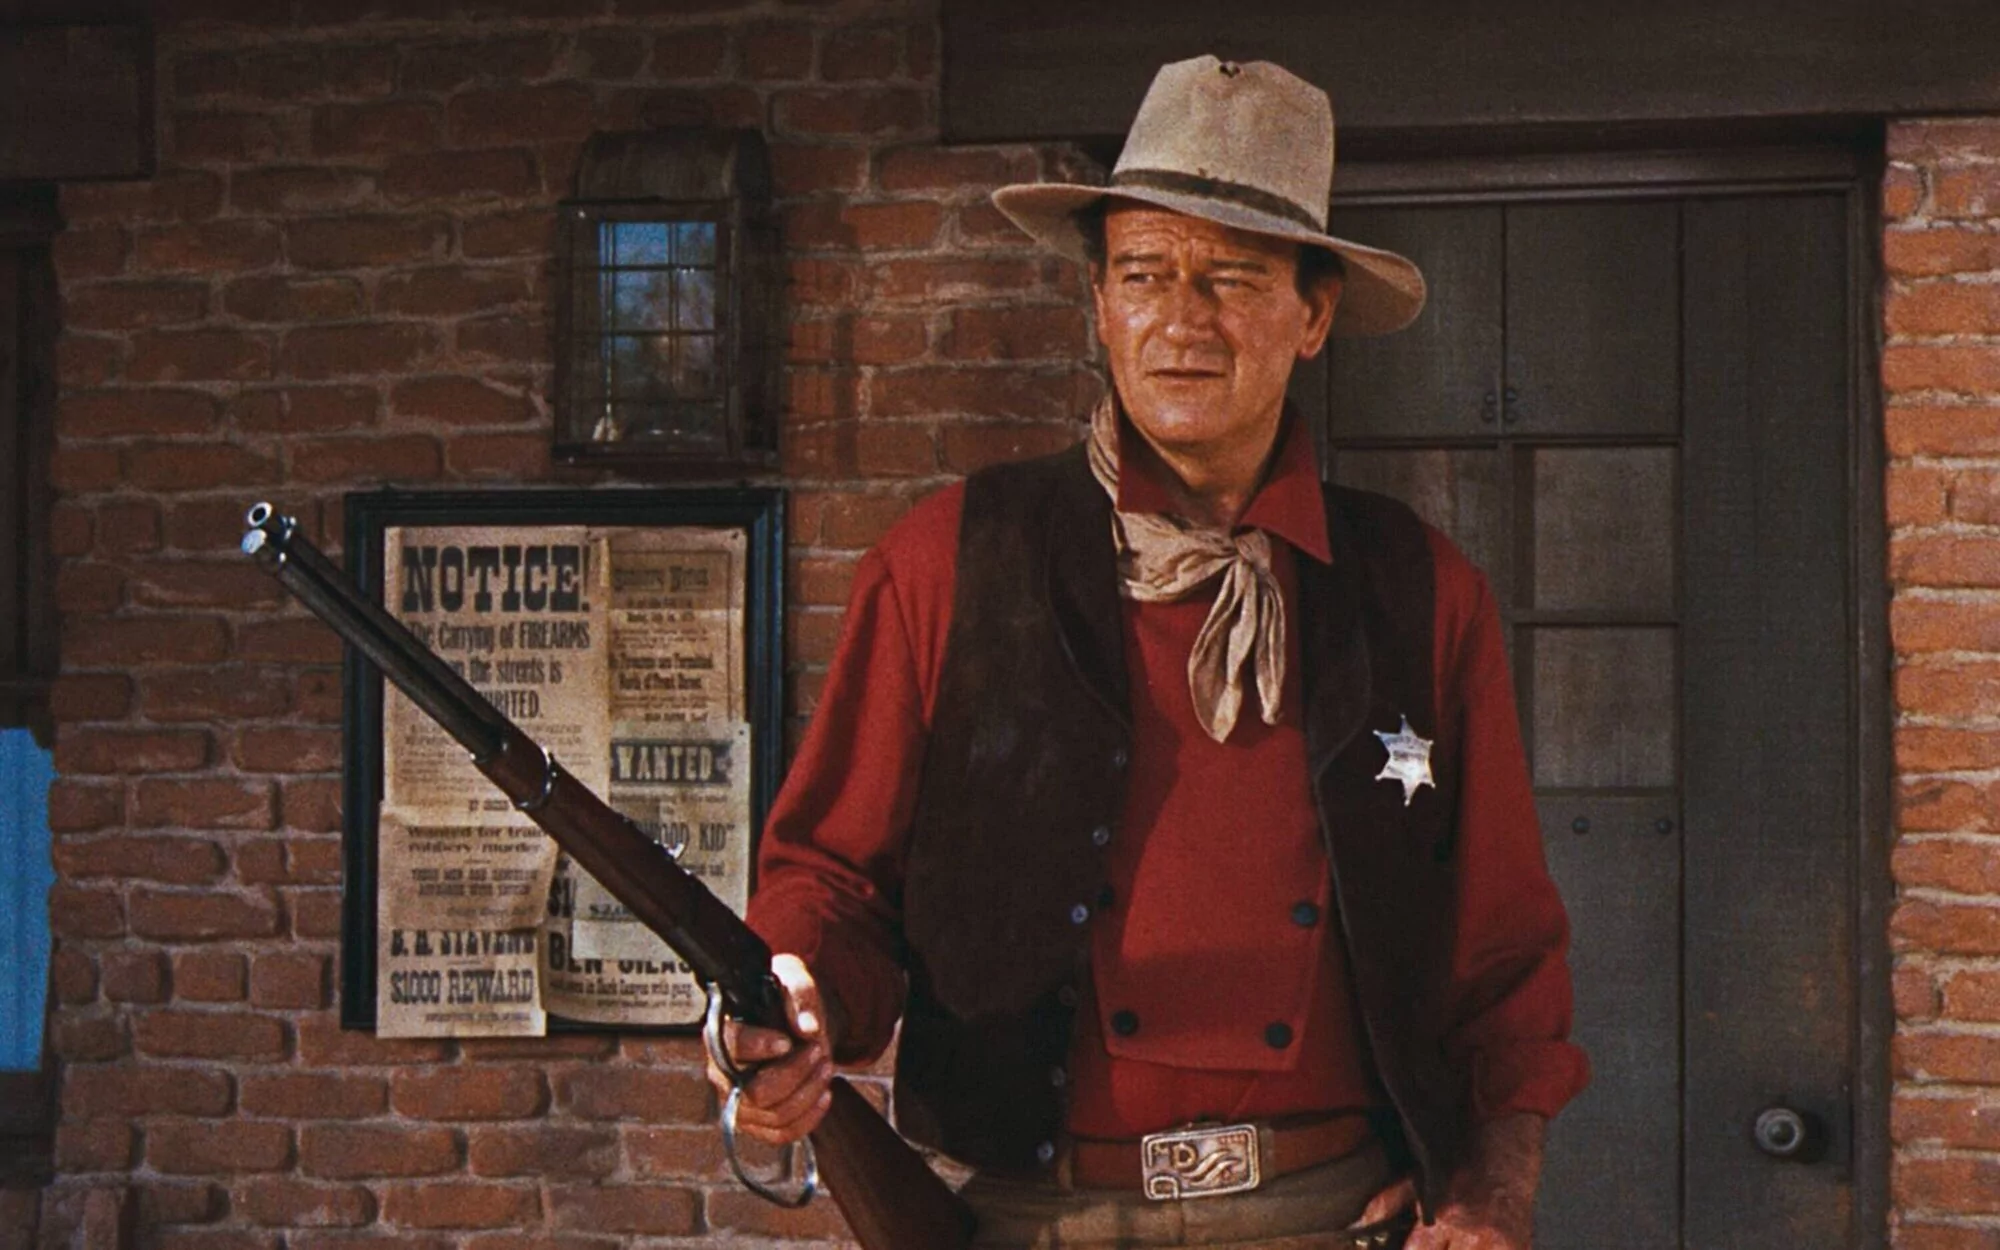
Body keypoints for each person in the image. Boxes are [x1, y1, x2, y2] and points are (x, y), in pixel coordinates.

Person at [706, 56, 1588, 1250]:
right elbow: (831, 884)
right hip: (1033, 1221)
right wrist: (791, 993)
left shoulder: (1421, 590)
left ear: (1313, 315)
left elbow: (1504, 953)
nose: (1182, 321)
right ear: (1098, 302)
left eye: (1231, 277)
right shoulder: (944, 561)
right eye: (1143, 274)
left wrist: (1492, 1189)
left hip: (1332, 1216)